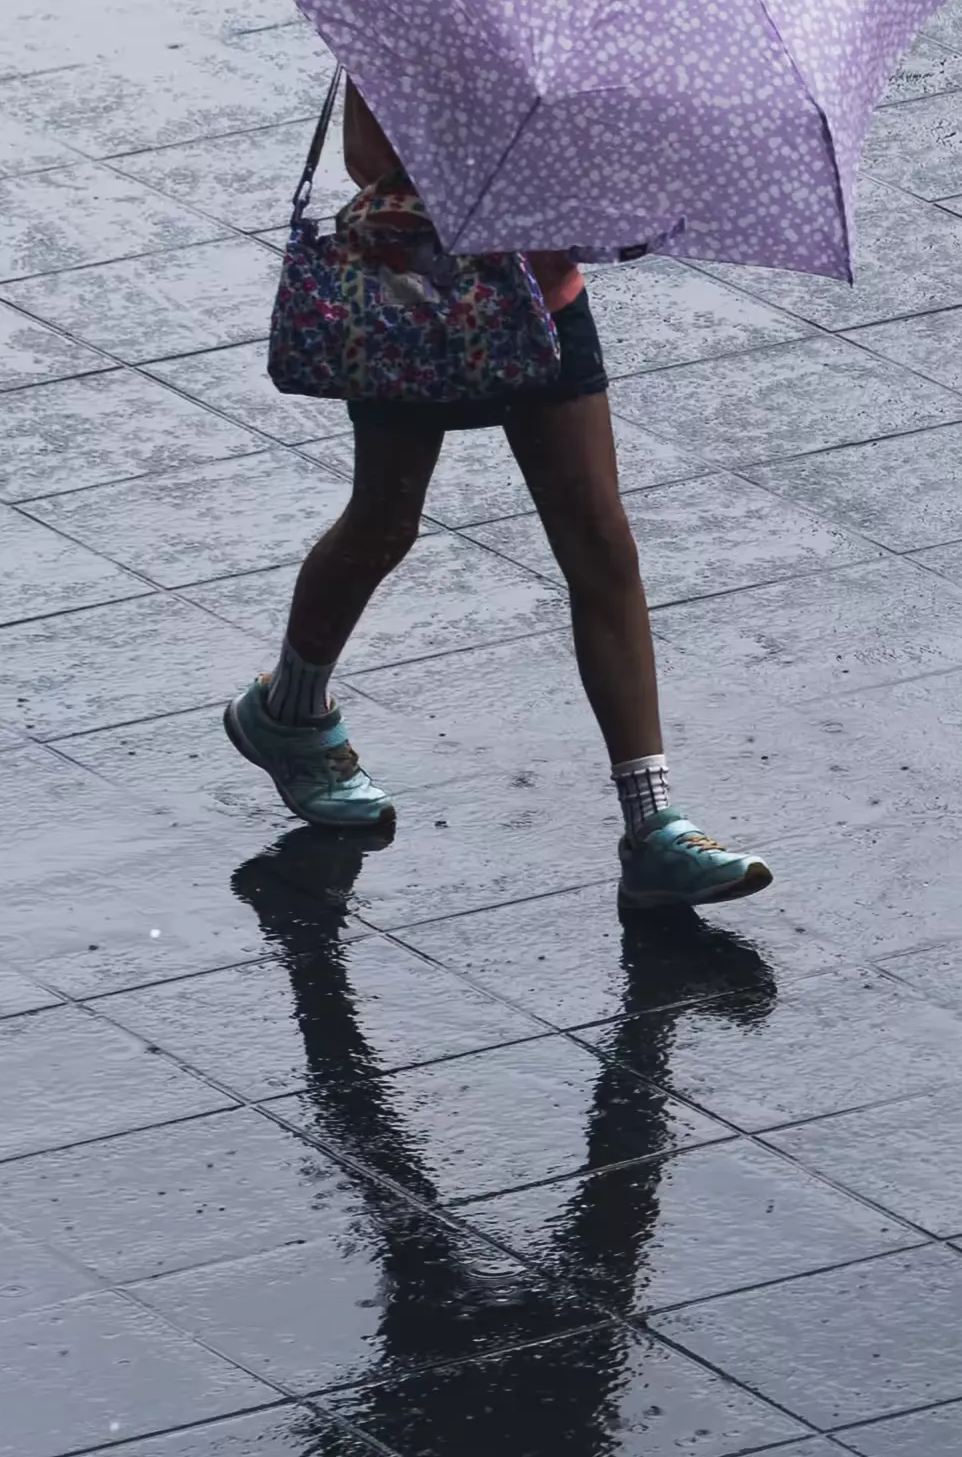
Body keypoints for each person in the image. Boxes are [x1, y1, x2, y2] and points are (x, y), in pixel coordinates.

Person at [223, 86, 771, 915]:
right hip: (418, 294)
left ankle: (652, 827)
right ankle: (290, 709)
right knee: (384, 522)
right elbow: (369, 159)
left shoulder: (579, 16)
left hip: (543, 296)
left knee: (599, 543)